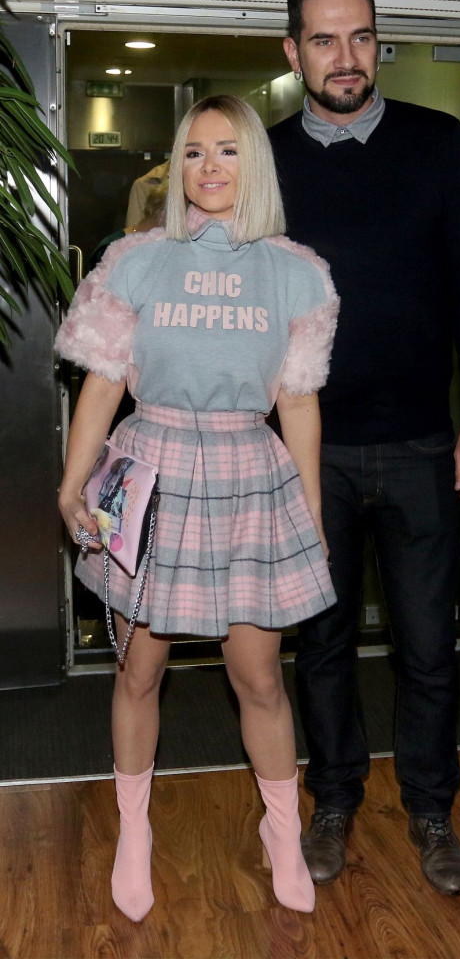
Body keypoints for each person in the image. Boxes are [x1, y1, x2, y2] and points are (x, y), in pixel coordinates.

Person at [55, 94, 339, 920]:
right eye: (192, 151)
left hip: (249, 474)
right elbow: (102, 384)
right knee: (139, 669)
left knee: (259, 677)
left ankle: (281, 830)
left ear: (255, 163)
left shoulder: (297, 272)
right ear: (175, 165)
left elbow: (299, 402)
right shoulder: (135, 260)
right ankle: (133, 829)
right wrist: (72, 486)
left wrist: (312, 517)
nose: (209, 167)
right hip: (151, 468)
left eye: (227, 150)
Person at [268, 0, 460, 897]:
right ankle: (332, 801)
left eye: (360, 36)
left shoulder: (437, 142)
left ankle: (431, 810)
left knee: (428, 648)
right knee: (321, 644)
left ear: (378, 42)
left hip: (418, 444)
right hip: (305, 451)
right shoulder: (264, 160)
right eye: (324, 39)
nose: (346, 56)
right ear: (293, 52)